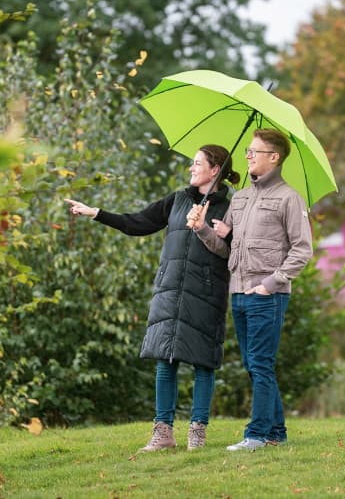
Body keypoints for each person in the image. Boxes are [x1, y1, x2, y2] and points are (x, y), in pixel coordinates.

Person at [64, 145, 240, 452]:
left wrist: (204, 229)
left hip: (207, 291)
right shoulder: (178, 200)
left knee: (203, 363)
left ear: (215, 170)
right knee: (165, 357)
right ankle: (163, 433)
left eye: (197, 163)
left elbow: (233, 252)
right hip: (170, 289)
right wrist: (97, 214)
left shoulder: (233, 208)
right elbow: (138, 223)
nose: (191, 168)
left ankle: (197, 433)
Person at [188, 128, 313, 451]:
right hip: (238, 292)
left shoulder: (289, 198)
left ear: (274, 157)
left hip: (267, 295)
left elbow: (302, 250)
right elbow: (224, 248)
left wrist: (271, 284)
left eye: (254, 151)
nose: (248, 156)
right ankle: (276, 433)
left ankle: (256, 434)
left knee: (260, 363)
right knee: (255, 364)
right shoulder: (240, 197)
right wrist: (202, 228)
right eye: (247, 150)